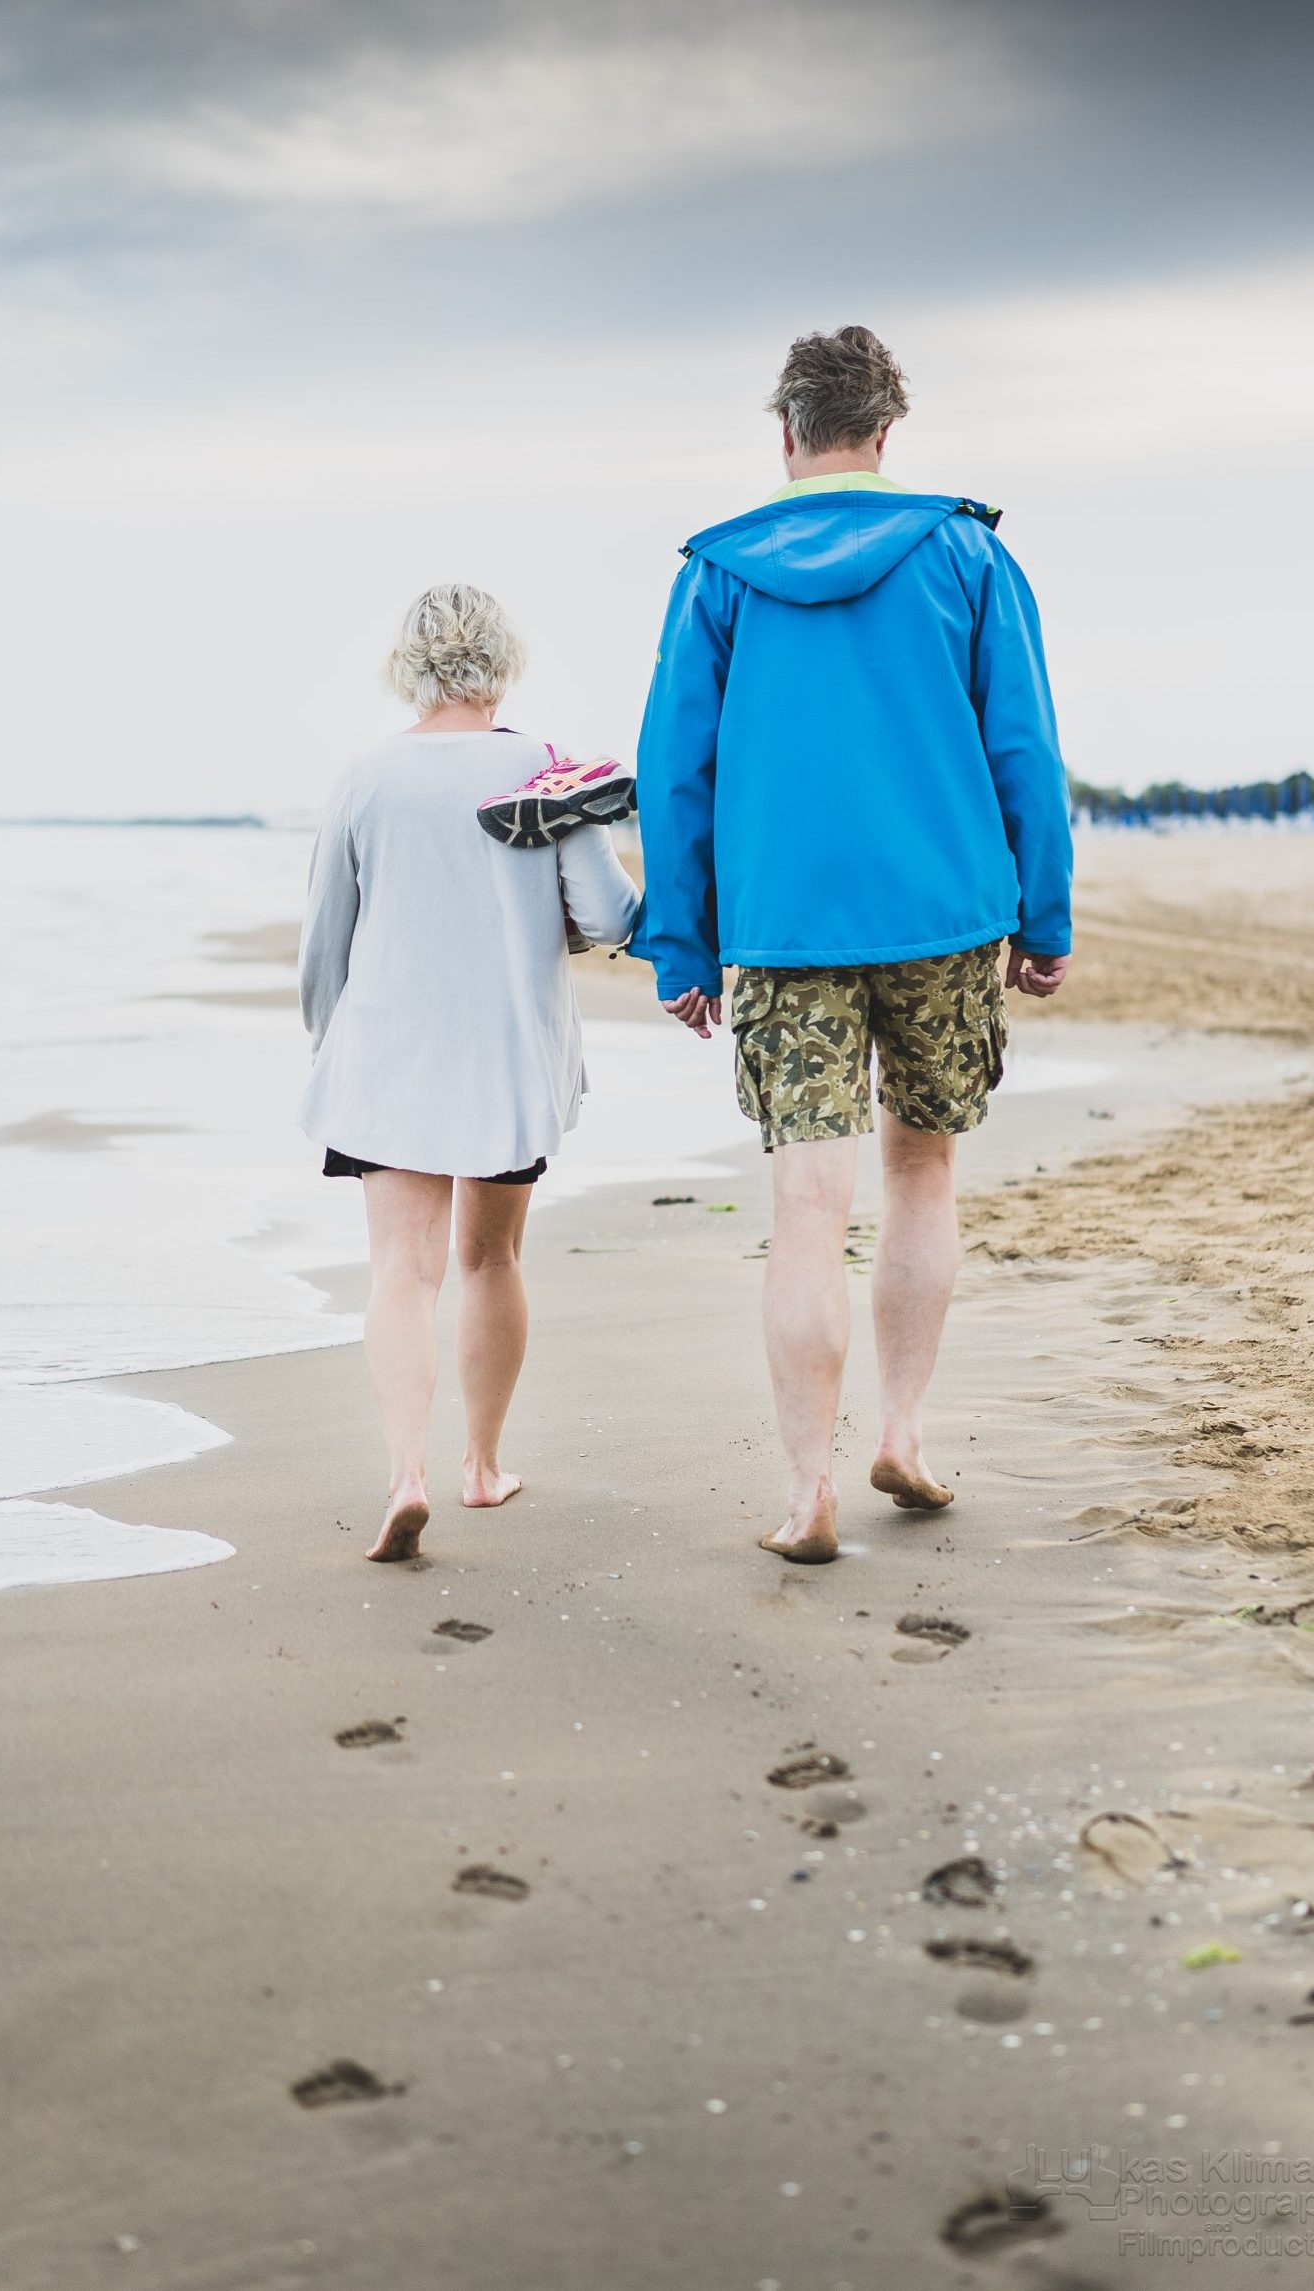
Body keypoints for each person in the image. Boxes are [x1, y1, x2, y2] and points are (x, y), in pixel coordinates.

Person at [631, 326, 1073, 1565]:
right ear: (887, 433)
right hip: (942, 912)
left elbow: (676, 771)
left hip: (781, 923)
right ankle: (908, 1433)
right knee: (920, 1171)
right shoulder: (968, 553)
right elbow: (1024, 749)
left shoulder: (717, 573)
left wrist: (679, 943)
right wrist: (1044, 916)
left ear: (786, 435)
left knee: (805, 1201)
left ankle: (804, 1490)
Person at [298, 583, 639, 1561]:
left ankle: (405, 1473)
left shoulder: (366, 776)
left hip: (389, 1058)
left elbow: (328, 938)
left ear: (408, 665)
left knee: (400, 1270)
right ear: (502, 661)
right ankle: (481, 1467)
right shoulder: (544, 771)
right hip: (502, 1056)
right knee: (489, 1259)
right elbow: (613, 919)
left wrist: (332, 1044)